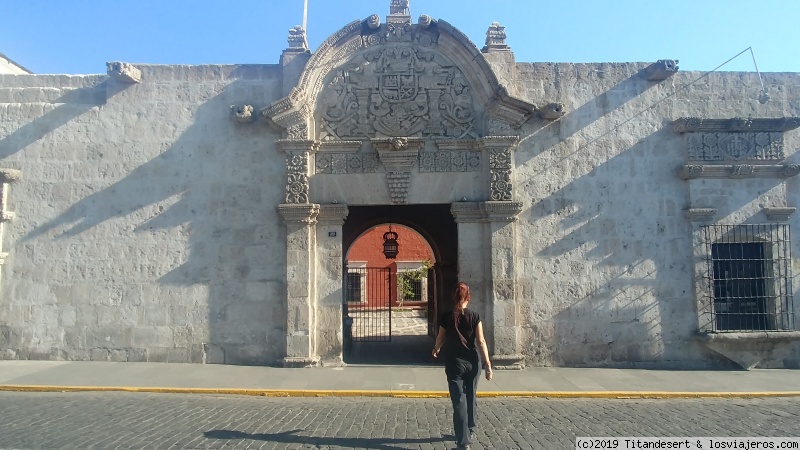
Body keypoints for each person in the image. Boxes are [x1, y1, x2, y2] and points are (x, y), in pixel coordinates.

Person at [432, 281, 492, 450]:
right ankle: (470, 428)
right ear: (469, 297)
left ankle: (464, 441)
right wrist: (487, 364)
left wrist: (436, 348)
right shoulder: (475, 316)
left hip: (454, 363)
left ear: (453, 297)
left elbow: (440, 337)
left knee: (459, 400)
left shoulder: (446, 317)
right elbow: (480, 341)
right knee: (471, 395)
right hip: (473, 362)